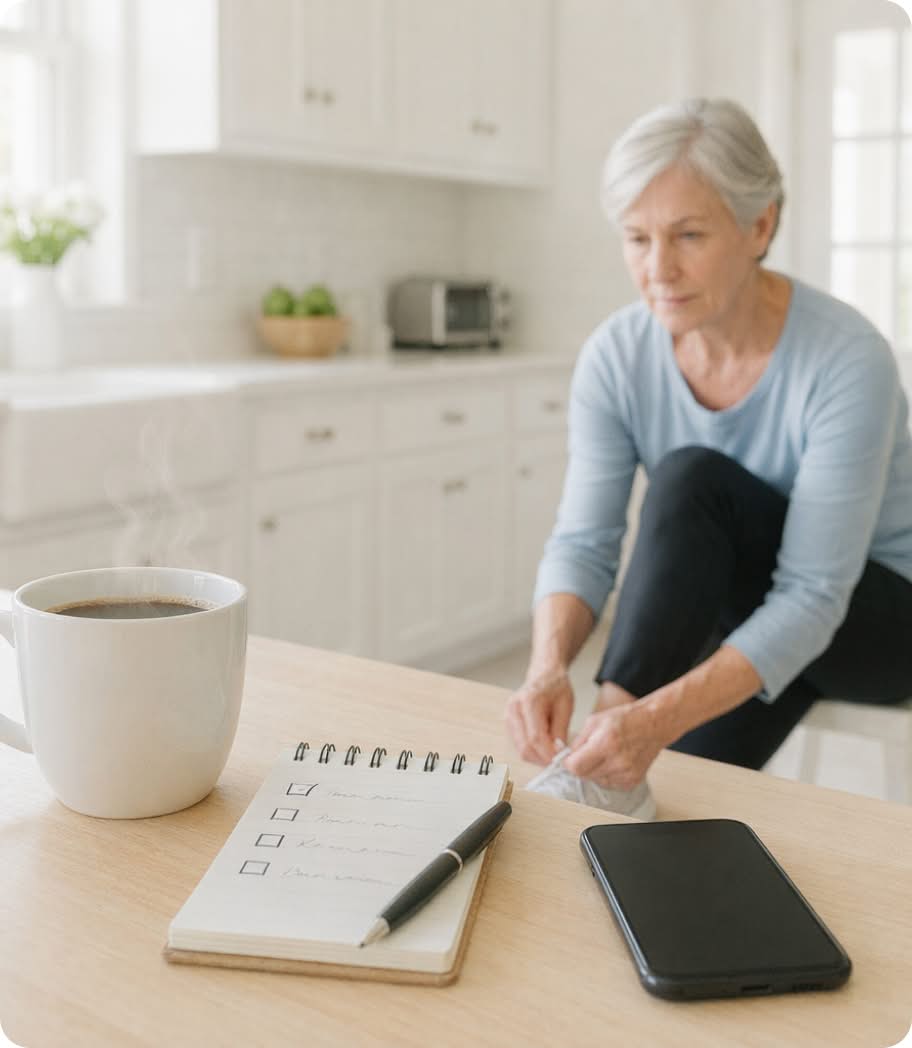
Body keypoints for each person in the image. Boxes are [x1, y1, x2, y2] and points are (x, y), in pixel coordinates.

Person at [506, 97, 912, 819]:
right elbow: (585, 542)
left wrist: (651, 718)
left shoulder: (848, 358)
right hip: (760, 613)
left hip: (881, 619)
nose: (657, 268)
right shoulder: (616, 355)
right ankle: (606, 749)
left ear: (761, 225)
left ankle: (607, 734)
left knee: (694, 479)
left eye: (688, 235)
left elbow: (815, 595)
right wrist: (545, 669)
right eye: (636, 238)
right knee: (659, 805)